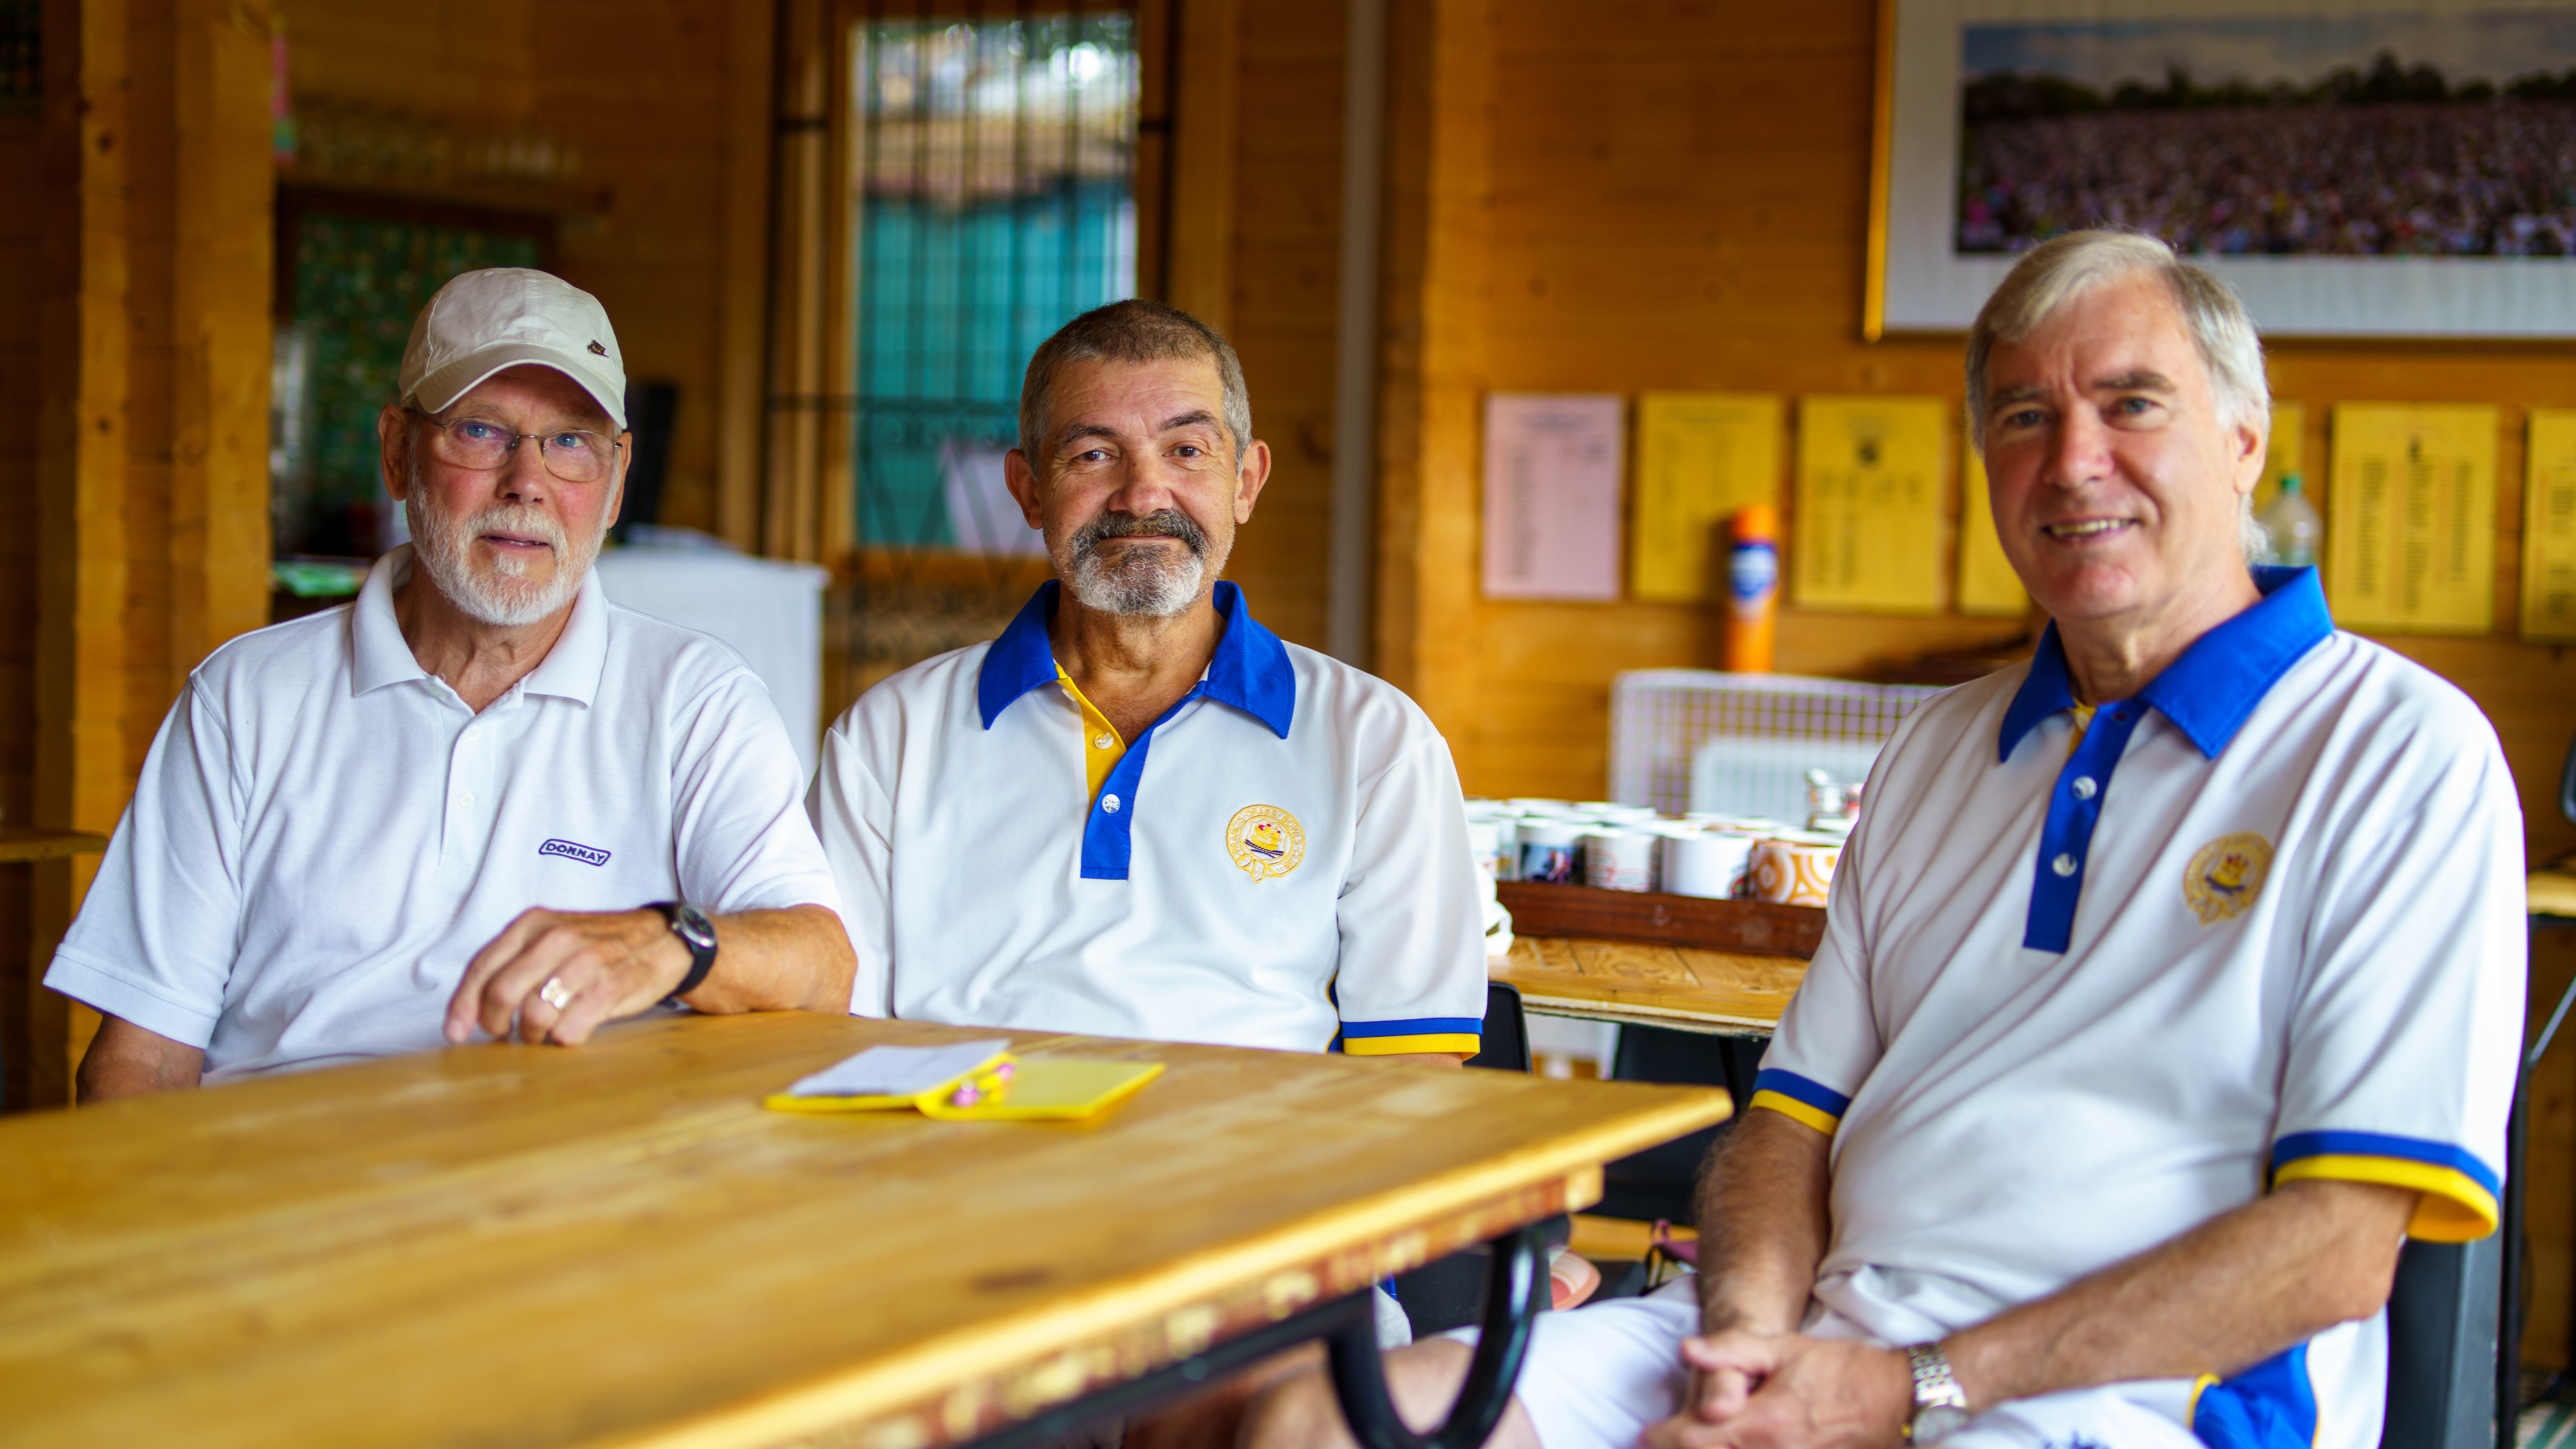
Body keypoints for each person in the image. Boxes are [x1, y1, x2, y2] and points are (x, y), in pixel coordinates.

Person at [1245, 230, 2525, 1449]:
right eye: (2024, 416)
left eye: (2132, 404)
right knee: (1321, 1422)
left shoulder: (2397, 752)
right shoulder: (1936, 752)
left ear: (2244, 442)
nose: (2074, 461)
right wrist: (1747, 1352)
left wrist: (1904, 1390)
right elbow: (1788, 1126)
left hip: (2126, 1397)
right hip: (1824, 1341)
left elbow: (2342, 1242)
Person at [807, 298, 1492, 1348]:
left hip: (1253, 1244)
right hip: (947, 1238)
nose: (1144, 494)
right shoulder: (890, 736)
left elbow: (1409, 1076)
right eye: (1094, 454)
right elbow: (829, 1037)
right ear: (1027, 489)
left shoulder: (1374, 742)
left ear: (1246, 481)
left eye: (1187, 449)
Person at [48, 268, 855, 1100]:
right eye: (481, 431)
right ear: (398, 452)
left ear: (616, 484)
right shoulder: (243, 698)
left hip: (572, 1193)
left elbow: (821, 965)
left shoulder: (697, 699)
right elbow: (142, 1055)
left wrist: (670, 945)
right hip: (285, 1186)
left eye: (572, 442)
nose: (527, 482)